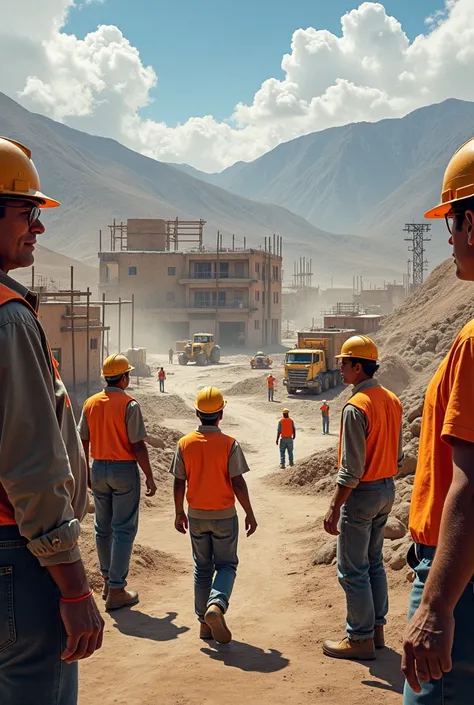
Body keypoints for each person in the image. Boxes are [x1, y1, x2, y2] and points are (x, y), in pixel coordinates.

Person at [0, 137, 104, 705]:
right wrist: (71, 586)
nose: (38, 227)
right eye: (26, 211)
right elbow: (32, 466)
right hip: (16, 555)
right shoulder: (10, 319)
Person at [402, 138, 474, 704]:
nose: (448, 241)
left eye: (449, 224)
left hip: (460, 582)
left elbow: (472, 482)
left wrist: (436, 604)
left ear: (470, 221)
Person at [322, 335, 403, 661]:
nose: (340, 368)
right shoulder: (392, 400)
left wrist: (334, 505)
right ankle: (376, 629)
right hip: (386, 490)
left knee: (351, 569)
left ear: (358, 366)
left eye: (343, 363)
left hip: (362, 493)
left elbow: (351, 469)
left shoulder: (356, 407)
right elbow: (398, 457)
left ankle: (359, 638)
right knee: (373, 563)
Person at [170, 386, 257, 644]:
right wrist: (249, 513)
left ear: (197, 412)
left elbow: (178, 482)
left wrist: (179, 513)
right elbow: (238, 482)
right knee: (227, 565)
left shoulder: (184, 444)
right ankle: (216, 605)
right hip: (224, 516)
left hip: (196, 516)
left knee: (202, 568)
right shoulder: (229, 444)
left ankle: (204, 624)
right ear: (221, 414)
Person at [78, 353, 157, 611]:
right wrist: (149, 475)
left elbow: (83, 441)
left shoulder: (90, 403)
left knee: (103, 528)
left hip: (98, 467)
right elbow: (137, 445)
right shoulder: (129, 405)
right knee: (123, 529)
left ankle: (105, 581)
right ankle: (117, 589)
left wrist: (87, 471)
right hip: (123, 470)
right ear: (123, 378)